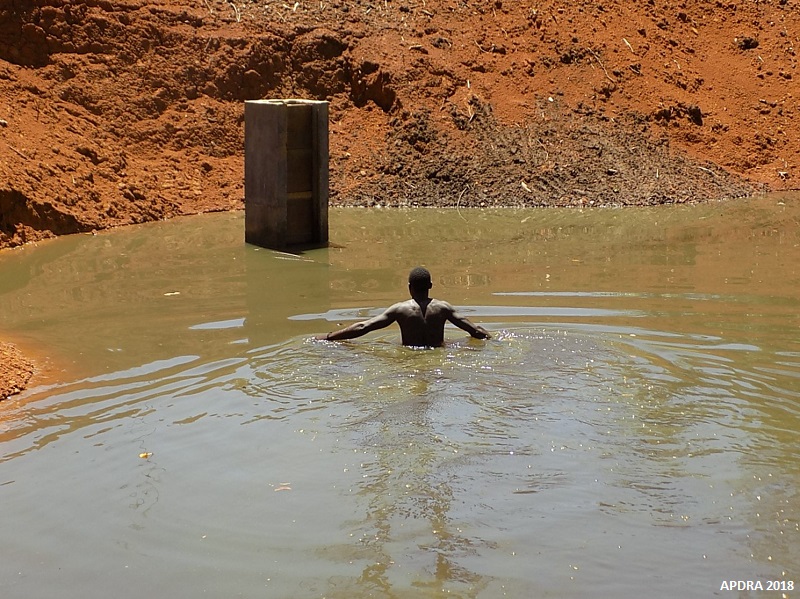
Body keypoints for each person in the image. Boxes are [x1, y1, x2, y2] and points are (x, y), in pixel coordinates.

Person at [317, 267, 490, 347]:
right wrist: (494, 339)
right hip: (438, 358)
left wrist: (329, 337)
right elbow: (475, 331)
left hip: (409, 359)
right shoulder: (443, 308)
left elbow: (364, 327)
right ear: (430, 285)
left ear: (409, 287)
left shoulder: (400, 310)